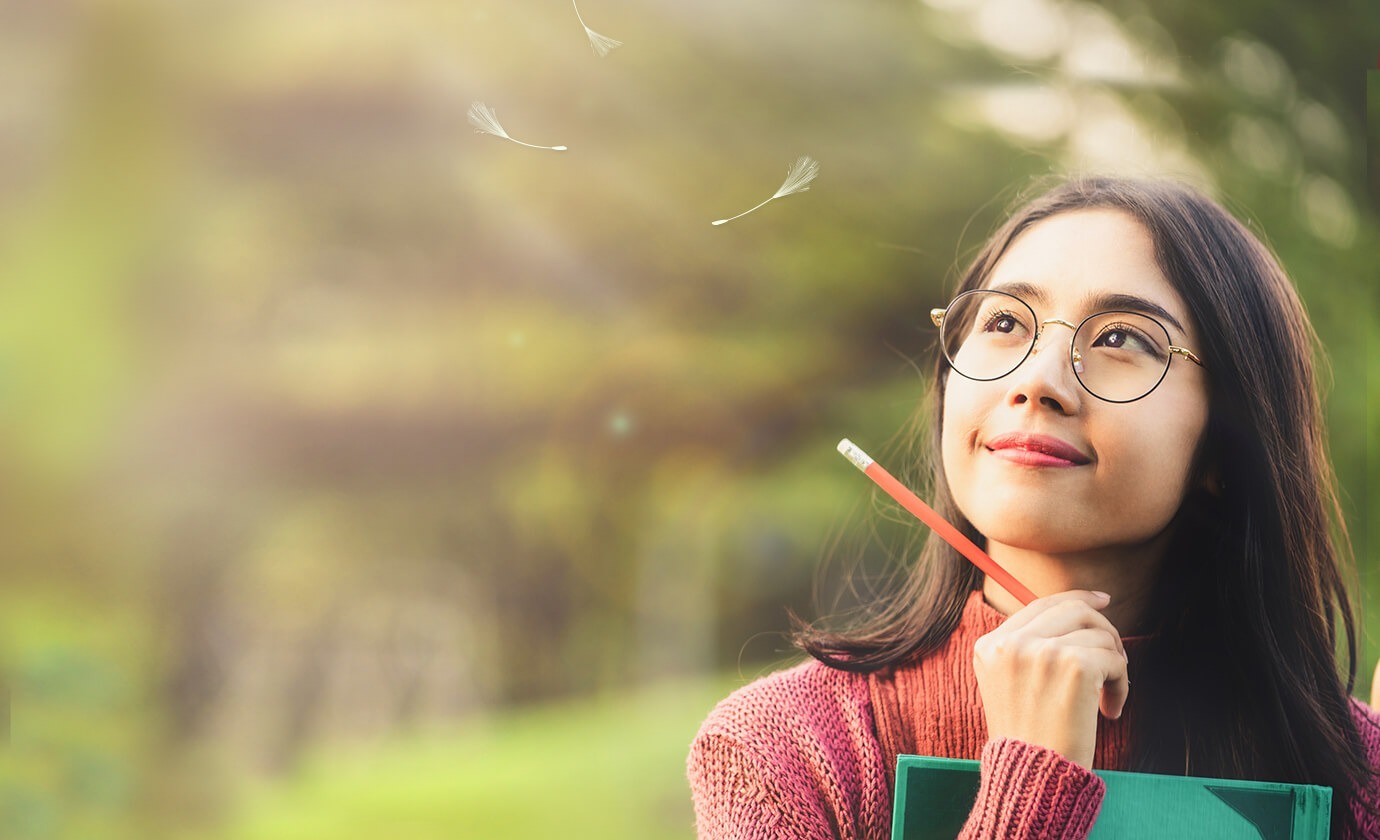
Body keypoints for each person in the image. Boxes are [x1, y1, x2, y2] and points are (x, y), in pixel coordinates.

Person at [686, 176, 1380, 839]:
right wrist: (1032, 783)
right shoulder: (786, 752)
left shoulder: (1354, 776)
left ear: (1226, 447)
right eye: (1005, 322)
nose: (1036, 380)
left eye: (1119, 339)